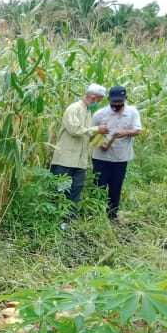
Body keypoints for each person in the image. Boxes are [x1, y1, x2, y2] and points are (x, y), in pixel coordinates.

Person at [50, 83, 110, 226]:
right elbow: (75, 130)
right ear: (94, 97)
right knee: (60, 191)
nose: (99, 103)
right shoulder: (74, 109)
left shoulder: (88, 112)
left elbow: (85, 133)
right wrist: (96, 129)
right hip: (65, 160)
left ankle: (68, 221)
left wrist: (98, 140)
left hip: (80, 161)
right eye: (99, 100)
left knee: (75, 190)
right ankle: (53, 221)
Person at [92, 85, 142, 220]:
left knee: (116, 186)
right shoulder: (100, 114)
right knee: (98, 185)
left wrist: (125, 132)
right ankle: (95, 213)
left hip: (121, 158)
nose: (117, 105)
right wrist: (99, 143)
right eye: (114, 102)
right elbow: (91, 133)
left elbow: (137, 130)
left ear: (125, 99)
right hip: (100, 157)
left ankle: (112, 214)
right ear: (109, 100)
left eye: (120, 102)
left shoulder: (132, 112)